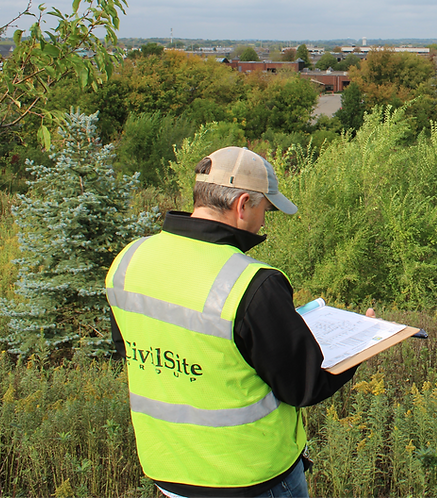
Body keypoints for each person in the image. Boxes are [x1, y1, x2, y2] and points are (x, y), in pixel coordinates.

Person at [107, 146, 356, 498]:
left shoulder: (129, 260)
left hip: (169, 469)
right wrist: (362, 346)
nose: (264, 222)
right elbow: (304, 387)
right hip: (250, 477)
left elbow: (132, 347)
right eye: (264, 209)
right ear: (242, 205)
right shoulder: (253, 284)